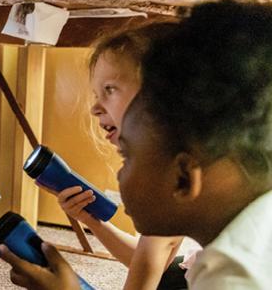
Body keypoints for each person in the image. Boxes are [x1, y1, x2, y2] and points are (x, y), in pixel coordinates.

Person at [0, 0, 272, 289]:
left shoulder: (231, 278)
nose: (118, 175)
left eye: (127, 157)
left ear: (182, 178)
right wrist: (94, 222)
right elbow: (149, 258)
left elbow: (147, 269)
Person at [47, 23, 191, 289]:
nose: (95, 108)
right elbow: (150, 263)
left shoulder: (174, 186)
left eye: (110, 90)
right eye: (97, 94)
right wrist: (93, 221)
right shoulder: (186, 159)